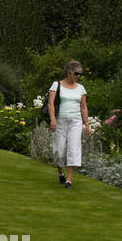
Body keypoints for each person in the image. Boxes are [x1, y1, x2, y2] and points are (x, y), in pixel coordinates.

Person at [48, 60, 89, 189]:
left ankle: (69, 180)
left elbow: (83, 107)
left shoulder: (81, 88)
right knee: (59, 151)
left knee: (73, 149)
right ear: (69, 72)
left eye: (80, 74)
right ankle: (60, 172)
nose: (78, 76)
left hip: (75, 122)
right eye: (76, 73)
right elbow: (51, 103)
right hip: (60, 121)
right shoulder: (56, 85)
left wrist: (87, 124)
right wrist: (53, 119)